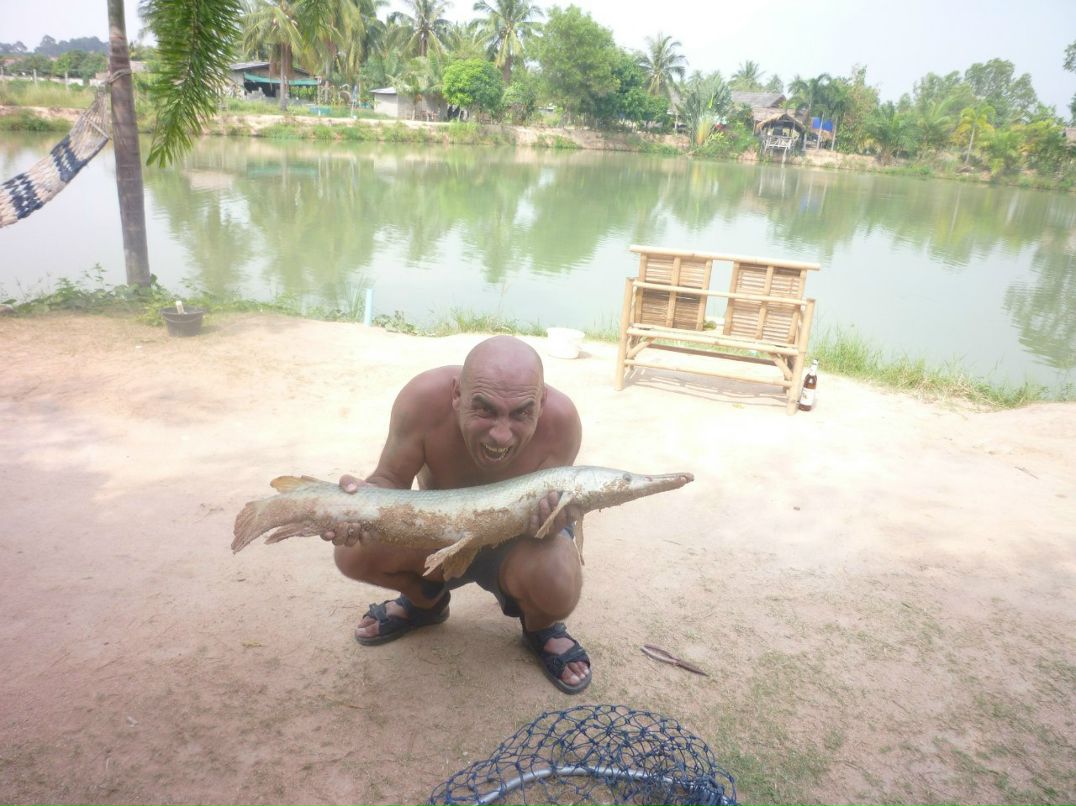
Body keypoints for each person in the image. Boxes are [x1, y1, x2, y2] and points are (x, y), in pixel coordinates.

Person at [325, 335, 591, 694]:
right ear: (456, 395)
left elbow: (548, 518)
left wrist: (552, 522)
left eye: (521, 413)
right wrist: (364, 502)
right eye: (484, 409)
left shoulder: (563, 422)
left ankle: (540, 626)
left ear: (541, 402)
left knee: (558, 579)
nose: (500, 435)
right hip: (437, 533)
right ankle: (426, 604)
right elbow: (389, 479)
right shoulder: (422, 399)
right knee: (353, 553)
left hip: (520, 539)